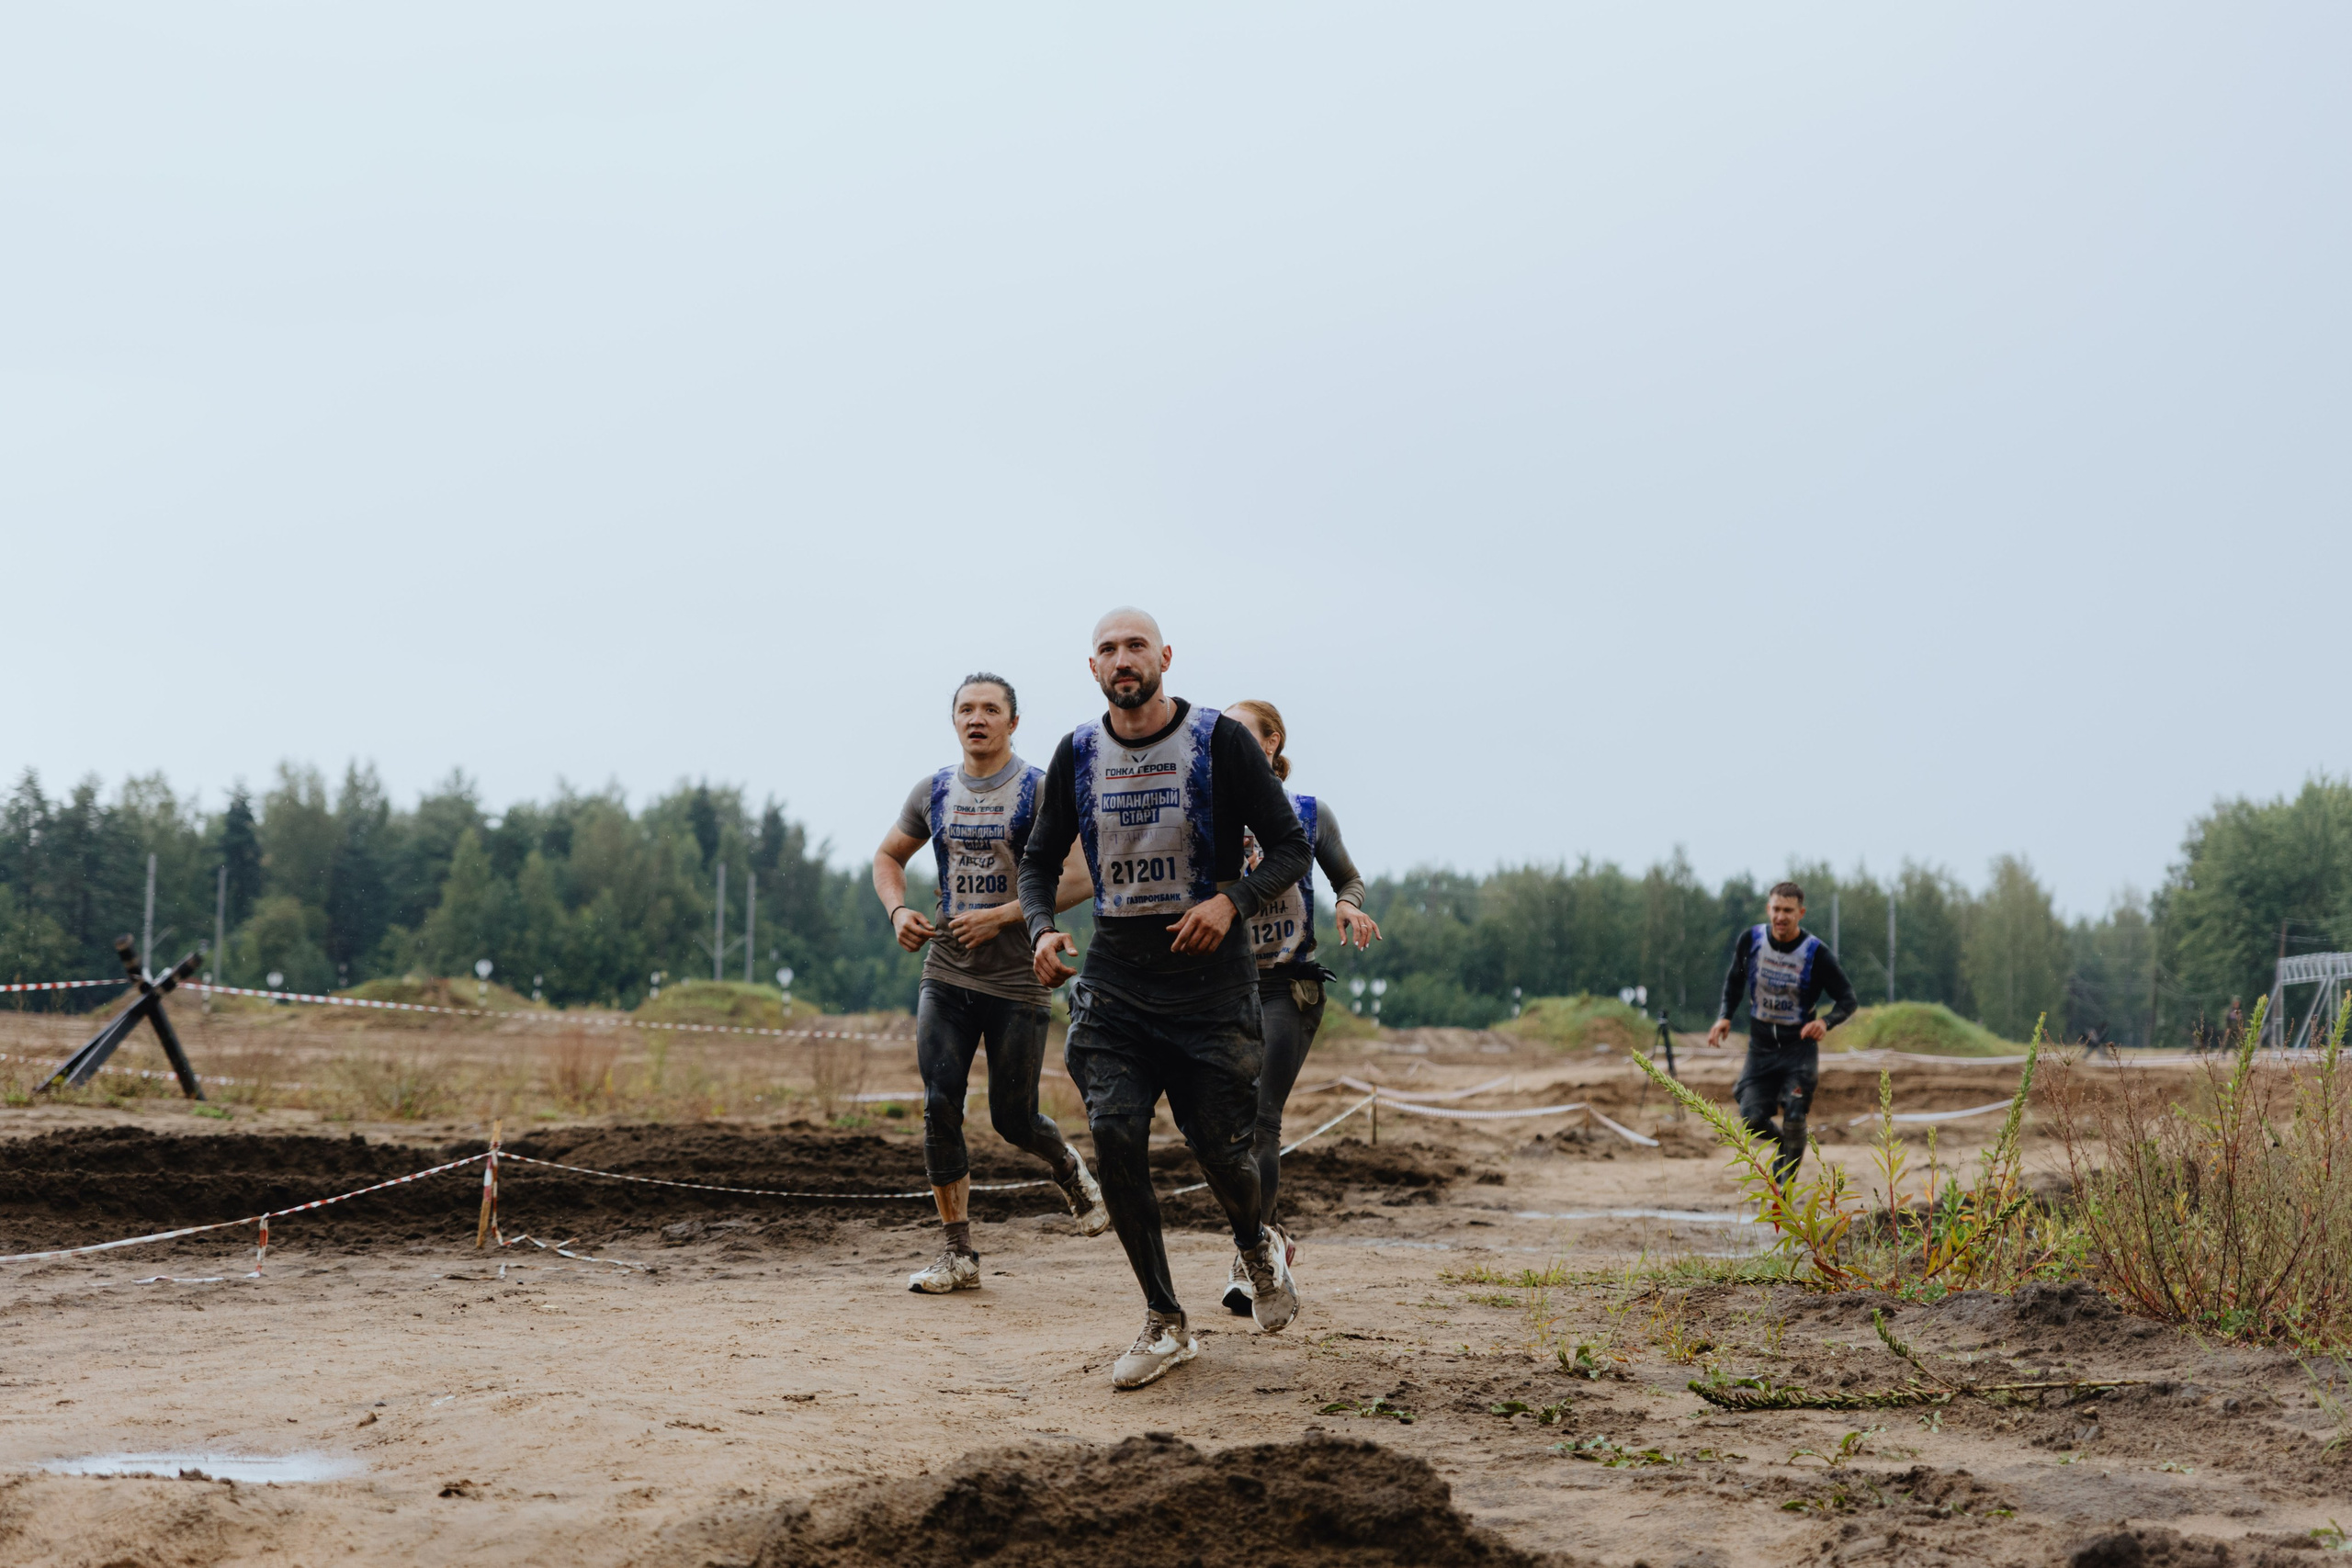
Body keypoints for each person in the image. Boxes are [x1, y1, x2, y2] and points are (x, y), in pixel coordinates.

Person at [1018, 608, 1313, 1390]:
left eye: (1136, 646)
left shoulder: (1219, 741)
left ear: (1165, 657)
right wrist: (1043, 931)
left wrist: (1231, 904)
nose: (1124, 659)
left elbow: (1291, 846)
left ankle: (1256, 1242)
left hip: (1211, 982)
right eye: (1108, 649)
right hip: (1117, 978)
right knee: (1114, 1134)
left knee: (1222, 1150)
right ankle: (1164, 1319)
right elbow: (1038, 860)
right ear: (1093, 668)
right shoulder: (1077, 751)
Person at [873, 671, 1111, 1294]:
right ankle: (958, 1253)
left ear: (1013, 722)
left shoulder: (1036, 789)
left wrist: (1005, 915)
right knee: (939, 1103)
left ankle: (1068, 1167)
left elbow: (1084, 875)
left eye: (990, 709)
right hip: (947, 971)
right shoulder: (935, 790)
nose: (977, 718)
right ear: (954, 721)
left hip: (1018, 974)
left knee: (1013, 1118)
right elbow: (887, 858)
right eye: (965, 709)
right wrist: (898, 911)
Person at [1216, 699, 1380, 1319]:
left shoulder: (1308, 814)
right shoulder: (1208, 813)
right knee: (1221, 1128)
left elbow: (1349, 877)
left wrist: (1347, 904)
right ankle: (1273, 1235)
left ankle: (1251, 1257)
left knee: (1262, 1117)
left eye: (1240, 734)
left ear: (1272, 741)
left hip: (1287, 986)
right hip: (1222, 986)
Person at [1705, 881, 1860, 1182]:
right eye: (1776, 909)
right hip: (1760, 1047)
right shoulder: (1751, 940)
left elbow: (1848, 1000)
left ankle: (1783, 1188)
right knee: (1751, 1119)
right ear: (1768, 909)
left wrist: (1825, 1022)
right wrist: (1724, 1016)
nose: (1781, 917)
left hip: (1798, 1049)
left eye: (1788, 911)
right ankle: (1784, 1147)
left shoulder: (1816, 953)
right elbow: (1735, 981)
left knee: (1795, 1113)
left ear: (1800, 913)